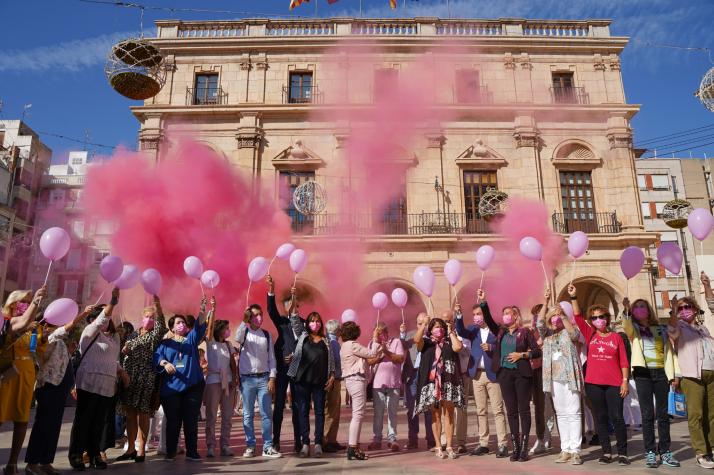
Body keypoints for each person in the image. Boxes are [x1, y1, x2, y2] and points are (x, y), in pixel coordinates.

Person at [24, 304, 93, 475]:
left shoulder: (58, 339)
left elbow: (63, 362)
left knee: (54, 426)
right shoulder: (45, 336)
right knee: (43, 425)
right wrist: (84, 313)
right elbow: (68, 327)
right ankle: (32, 463)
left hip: (60, 386)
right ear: (47, 323)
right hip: (48, 386)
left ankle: (46, 461)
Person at [68, 288, 130, 470]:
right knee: (83, 420)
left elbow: (114, 360)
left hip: (107, 384)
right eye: (104, 315)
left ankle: (95, 453)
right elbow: (102, 318)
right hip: (89, 382)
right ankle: (76, 454)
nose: (108, 318)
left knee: (99, 421)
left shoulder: (114, 338)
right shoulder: (90, 331)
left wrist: (122, 372)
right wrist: (113, 300)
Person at [571, 284, 630, 465]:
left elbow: (623, 362)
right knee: (601, 418)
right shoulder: (590, 334)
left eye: (601, 316)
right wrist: (573, 297)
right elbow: (578, 317)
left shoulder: (617, 337)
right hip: (594, 383)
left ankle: (622, 452)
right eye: (595, 317)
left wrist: (625, 381)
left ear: (607, 318)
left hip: (614, 383)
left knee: (617, 417)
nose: (598, 320)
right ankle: (606, 452)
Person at [481, 290, 541, 462]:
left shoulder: (525, 332)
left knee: (523, 411)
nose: (505, 316)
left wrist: (521, 355)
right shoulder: (501, 332)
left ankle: (524, 447)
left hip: (522, 374)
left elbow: (537, 351)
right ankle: (514, 447)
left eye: (508, 314)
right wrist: (484, 302)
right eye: (504, 314)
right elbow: (490, 320)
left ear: (515, 316)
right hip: (505, 374)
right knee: (511, 412)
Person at [622, 296, 679, 468]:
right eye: (636, 307)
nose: (640, 309)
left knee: (663, 415)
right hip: (642, 374)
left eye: (642, 306)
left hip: (661, 372)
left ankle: (665, 451)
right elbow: (627, 327)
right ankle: (650, 452)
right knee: (647, 415)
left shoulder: (660, 328)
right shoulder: (635, 329)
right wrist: (625, 310)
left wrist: (674, 374)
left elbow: (673, 334)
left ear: (648, 310)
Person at [154, 297, 211, 462]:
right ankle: (171, 451)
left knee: (191, 420)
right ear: (172, 327)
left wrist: (202, 309)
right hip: (171, 389)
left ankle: (192, 451)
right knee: (173, 421)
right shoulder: (165, 344)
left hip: (193, 387)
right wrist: (164, 363)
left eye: (184, 323)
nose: (182, 325)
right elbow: (157, 358)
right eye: (178, 323)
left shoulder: (191, 340)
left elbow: (200, 327)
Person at [669, 272, 714, 469]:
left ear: (695, 310)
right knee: (696, 415)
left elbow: (712, 307)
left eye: (688, 307)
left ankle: (712, 447)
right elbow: (671, 332)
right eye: (682, 308)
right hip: (692, 376)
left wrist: (707, 286)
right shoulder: (678, 327)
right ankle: (701, 452)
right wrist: (672, 310)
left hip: (711, 373)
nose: (685, 310)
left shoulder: (703, 328)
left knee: (712, 414)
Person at [0, 286, 47, 475]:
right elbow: (23, 321)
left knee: (21, 420)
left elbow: (40, 352)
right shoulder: (7, 323)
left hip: (26, 374)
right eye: (23, 302)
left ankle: (12, 464)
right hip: (7, 373)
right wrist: (36, 300)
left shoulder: (33, 327)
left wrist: (43, 339)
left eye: (28, 302)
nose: (26, 305)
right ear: (12, 304)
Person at [535, 290, 584, 465]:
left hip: (570, 377)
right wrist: (545, 301)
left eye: (557, 318)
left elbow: (575, 335)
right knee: (561, 414)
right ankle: (566, 449)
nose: (554, 320)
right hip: (554, 379)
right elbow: (540, 322)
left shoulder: (569, 331)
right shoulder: (547, 335)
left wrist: (562, 316)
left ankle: (576, 450)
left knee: (574, 413)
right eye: (552, 318)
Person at [455, 300, 508, 458]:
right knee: (481, 410)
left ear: (485, 314)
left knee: (497, 410)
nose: (476, 317)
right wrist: (459, 316)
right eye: (474, 315)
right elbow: (461, 332)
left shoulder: (496, 329)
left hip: (492, 374)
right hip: (476, 373)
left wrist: (491, 348)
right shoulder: (473, 329)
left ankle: (502, 443)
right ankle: (483, 443)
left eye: (479, 314)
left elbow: (503, 346)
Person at [117, 298, 166, 463]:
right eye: (147, 316)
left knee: (143, 414)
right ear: (142, 317)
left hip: (145, 378)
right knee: (129, 414)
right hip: (129, 377)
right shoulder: (133, 333)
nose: (149, 320)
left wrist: (158, 306)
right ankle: (130, 448)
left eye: (152, 317)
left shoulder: (155, 335)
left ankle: (141, 448)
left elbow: (161, 325)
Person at [287, 290, 335, 459]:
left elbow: (332, 361)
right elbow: (293, 317)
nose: (315, 324)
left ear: (321, 324)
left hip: (320, 382)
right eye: (312, 321)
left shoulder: (326, 341)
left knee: (320, 412)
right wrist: (293, 299)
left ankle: (318, 444)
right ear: (307, 324)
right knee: (303, 411)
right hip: (302, 381)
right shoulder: (303, 336)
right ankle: (305, 443)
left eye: (317, 321)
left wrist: (332, 376)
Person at [414, 314, 465, 460]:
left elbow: (458, 347)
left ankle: (449, 445)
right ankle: (438, 445)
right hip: (432, 383)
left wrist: (449, 331)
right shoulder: (426, 342)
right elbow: (416, 340)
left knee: (449, 414)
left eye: (441, 327)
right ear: (431, 330)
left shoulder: (449, 340)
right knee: (435, 415)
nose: (440, 329)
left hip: (448, 382)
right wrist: (423, 325)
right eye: (437, 327)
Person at [235, 305, 281, 459]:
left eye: (260, 315)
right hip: (247, 379)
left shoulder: (266, 335)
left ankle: (267, 446)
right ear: (249, 317)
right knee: (247, 414)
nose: (259, 318)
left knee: (266, 414)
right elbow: (237, 338)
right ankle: (250, 446)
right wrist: (244, 321)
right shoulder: (245, 332)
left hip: (263, 378)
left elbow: (271, 358)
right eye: (255, 315)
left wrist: (272, 377)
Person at [266, 275, 302, 453]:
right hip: (282, 369)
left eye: (293, 304)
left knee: (297, 406)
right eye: (288, 305)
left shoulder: (303, 324)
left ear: (297, 306)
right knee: (279, 405)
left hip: (298, 371)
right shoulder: (282, 322)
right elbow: (271, 311)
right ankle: (276, 440)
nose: (290, 307)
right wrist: (271, 290)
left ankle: (298, 441)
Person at [340, 321, 382, 460]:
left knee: (357, 414)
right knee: (357, 415)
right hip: (356, 379)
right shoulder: (352, 345)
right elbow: (370, 354)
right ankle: (352, 447)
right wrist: (375, 339)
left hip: (352, 380)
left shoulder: (344, 346)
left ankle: (355, 446)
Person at [400, 313, 436, 451]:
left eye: (424, 323)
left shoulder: (433, 335)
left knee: (428, 408)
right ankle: (412, 439)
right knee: (412, 409)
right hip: (412, 374)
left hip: (427, 374)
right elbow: (403, 345)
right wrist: (402, 334)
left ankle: (431, 440)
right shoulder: (411, 335)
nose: (422, 326)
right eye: (419, 323)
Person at [368, 321, 405, 451]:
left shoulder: (396, 342)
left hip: (393, 382)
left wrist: (386, 351)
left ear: (387, 332)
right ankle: (377, 439)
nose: (381, 335)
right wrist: (379, 354)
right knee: (378, 413)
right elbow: (369, 361)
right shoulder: (372, 344)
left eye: (383, 332)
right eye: (378, 333)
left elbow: (400, 359)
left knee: (392, 413)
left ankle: (392, 439)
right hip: (378, 384)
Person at [204, 319, 238, 458]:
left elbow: (232, 362)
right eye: (225, 328)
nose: (228, 331)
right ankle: (210, 446)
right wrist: (213, 309)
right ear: (219, 329)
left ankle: (225, 444)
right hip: (213, 380)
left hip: (228, 382)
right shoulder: (210, 341)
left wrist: (235, 378)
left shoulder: (228, 344)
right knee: (211, 415)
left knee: (227, 415)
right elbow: (209, 326)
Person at [524, 304, 553, 456]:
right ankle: (542, 438)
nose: (537, 317)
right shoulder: (530, 332)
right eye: (535, 314)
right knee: (540, 406)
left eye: (540, 313)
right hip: (535, 371)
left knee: (550, 407)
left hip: (550, 371)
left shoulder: (551, 331)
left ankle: (549, 438)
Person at [323, 319, 345, 453]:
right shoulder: (333, 343)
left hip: (335, 379)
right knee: (331, 411)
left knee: (335, 411)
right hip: (333, 379)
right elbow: (337, 361)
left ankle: (332, 439)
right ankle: (326, 440)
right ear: (336, 330)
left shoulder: (332, 342)